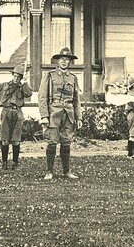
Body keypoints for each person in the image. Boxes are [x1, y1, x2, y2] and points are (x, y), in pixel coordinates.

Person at [39, 47, 82, 180]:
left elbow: (76, 99)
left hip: (68, 113)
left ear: (70, 62)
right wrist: (44, 116)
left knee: (66, 142)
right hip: (54, 112)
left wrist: (79, 117)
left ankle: (66, 171)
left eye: (67, 59)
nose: (64, 61)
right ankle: (49, 171)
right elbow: (42, 97)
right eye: (62, 59)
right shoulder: (50, 76)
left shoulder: (73, 78)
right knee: (52, 142)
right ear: (58, 61)